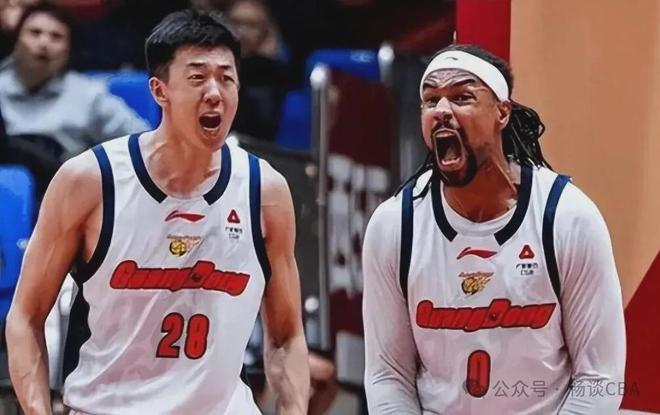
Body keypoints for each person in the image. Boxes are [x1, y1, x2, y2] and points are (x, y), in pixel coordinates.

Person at [6, 8, 309, 414]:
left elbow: (287, 337)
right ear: (159, 90)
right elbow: (26, 317)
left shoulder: (264, 190)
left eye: (227, 78)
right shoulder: (90, 181)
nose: (215, 92)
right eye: (198, 78)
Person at [362, 44, 625, 414]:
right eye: (431, 100)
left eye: (462, 97)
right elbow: (388, 375)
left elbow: (600, 378)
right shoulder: (395, 225)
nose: (442, 110)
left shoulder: (567, 217)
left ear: (502, 111)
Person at [0, 2, 148, 159]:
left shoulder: (89, 95)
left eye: (56, 37)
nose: (44, 43)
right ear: (16, 41)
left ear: (68, 50)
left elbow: (143, 142)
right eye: (35, 33)